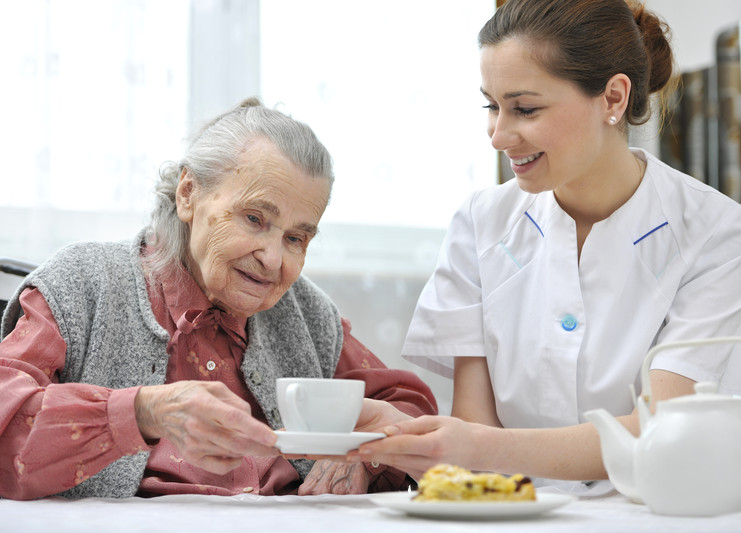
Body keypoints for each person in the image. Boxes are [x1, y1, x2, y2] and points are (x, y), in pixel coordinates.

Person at [342, 0, 741, 486]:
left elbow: (664, 426)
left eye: (524, 108)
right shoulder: (480, 222)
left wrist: (473, 444)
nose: (499, 135)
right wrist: (400, 441)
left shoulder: (716, 230)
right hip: (524, 514)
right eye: (491, 105)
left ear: (613, 98)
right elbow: (476, 432)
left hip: (668, 510)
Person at [0, 97, 437, 500]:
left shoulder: (305, 313)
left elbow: (409, 407)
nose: (272, 259)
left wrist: (364, 455)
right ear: (189, 194)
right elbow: (6, 420)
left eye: (296, 238)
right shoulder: (83, 284)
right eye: (254, 218)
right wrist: (144, 412)